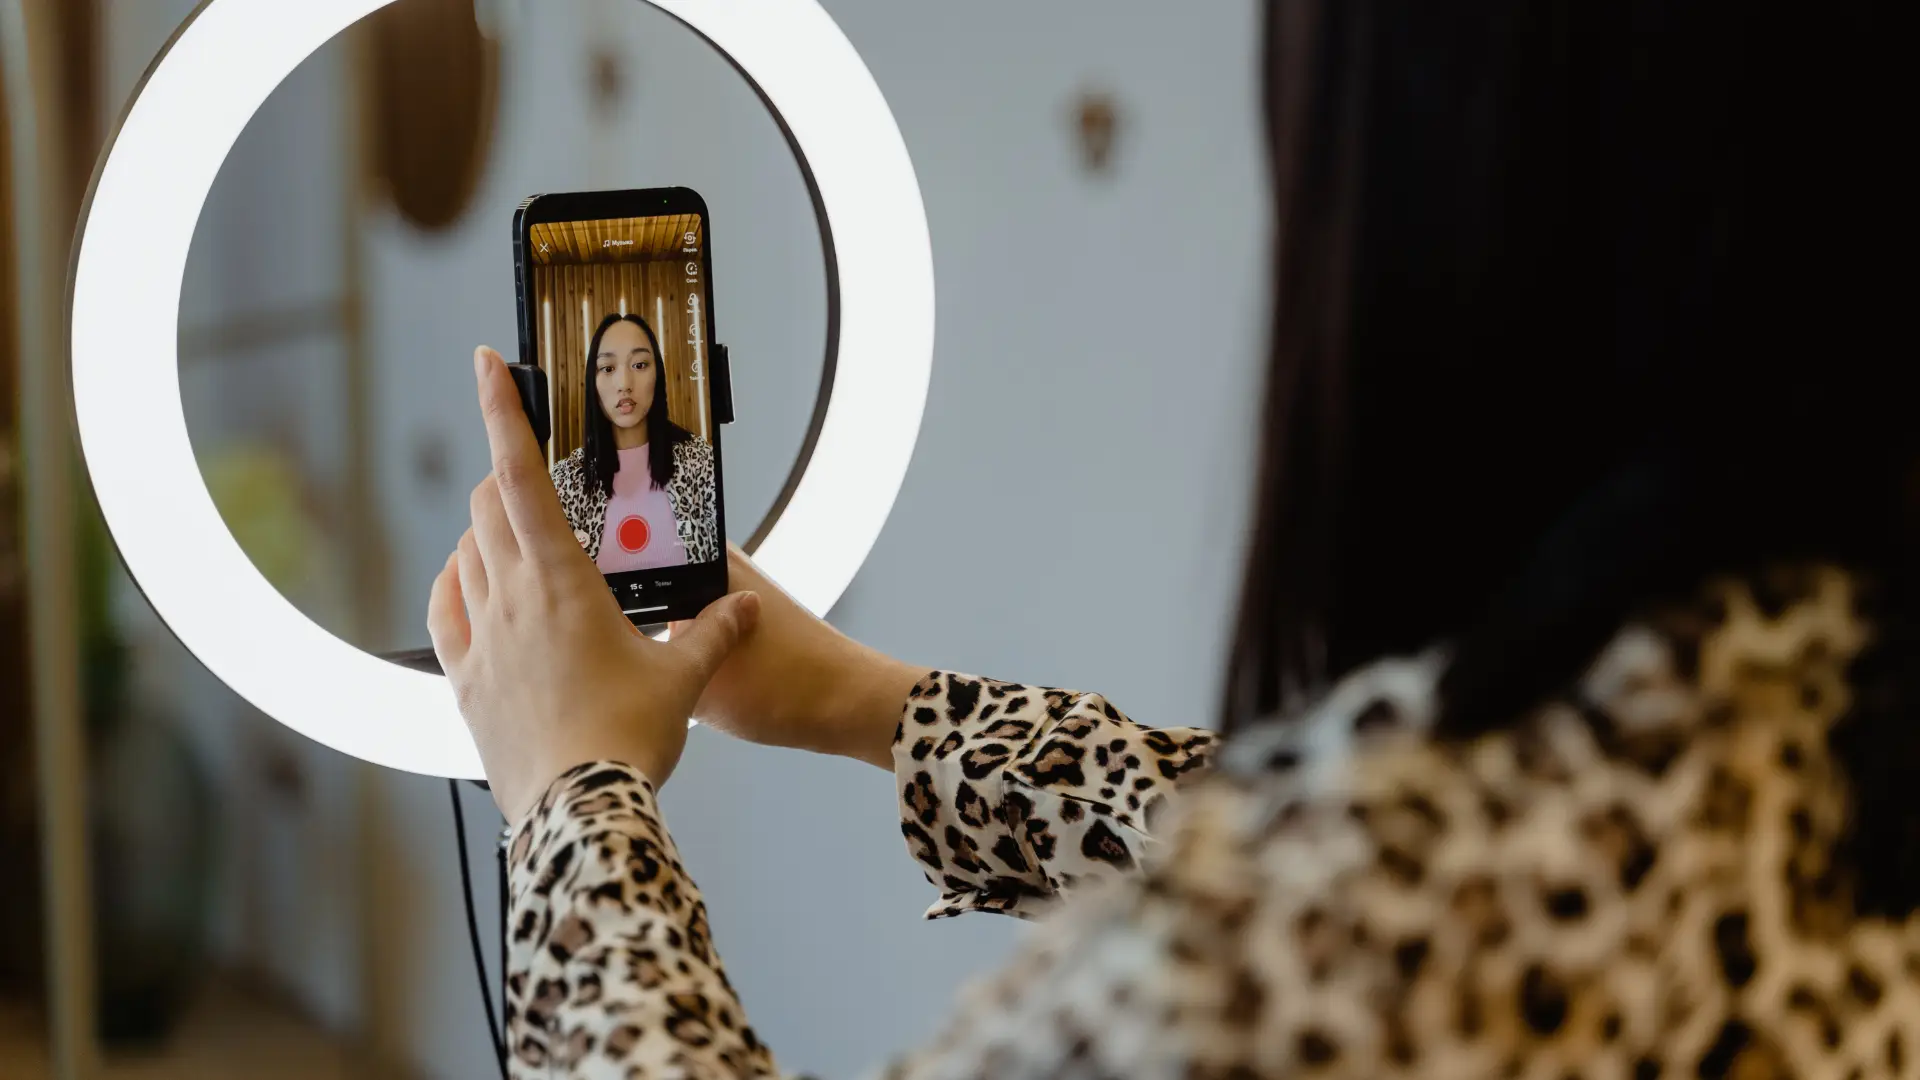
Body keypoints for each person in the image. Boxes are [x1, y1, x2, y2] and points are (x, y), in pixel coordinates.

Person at [429, 1, 1911, 1076]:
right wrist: (871, 705)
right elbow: (1304, 818)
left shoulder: (1325, 945)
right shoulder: (1817, 703)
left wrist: (573, 801)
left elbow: (1344, 879)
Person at [549, 311, 720, 571]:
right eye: (607, 368)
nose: (624, 384)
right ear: (592, 383)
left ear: (658, 375)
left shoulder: (701, 463)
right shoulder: (567, 480)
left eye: (639, 365)